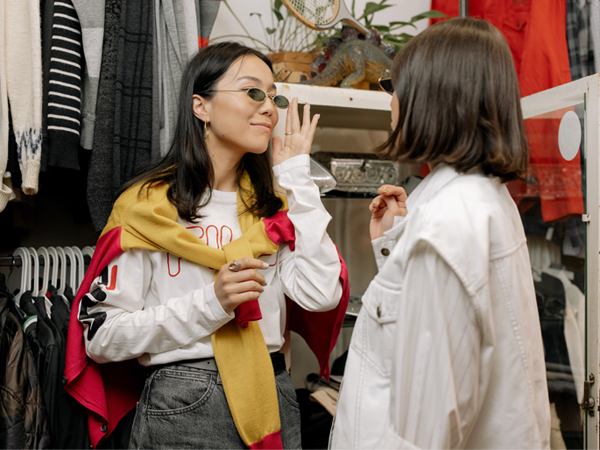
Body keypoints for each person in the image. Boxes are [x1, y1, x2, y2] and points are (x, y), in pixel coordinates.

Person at [64, 42, 349, 450]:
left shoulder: (274, 208)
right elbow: (102, 337)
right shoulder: (148, 208)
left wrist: (299, 181)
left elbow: (321, 295)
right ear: (201, 106)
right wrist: (213, 303)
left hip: (273, 395)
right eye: (253, 92)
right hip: (184, 403)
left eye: (274, 97)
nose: (269, 108)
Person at [331, 18, 550, 449]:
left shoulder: (449, 220)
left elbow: (425, 429)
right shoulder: (482, 197)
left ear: (430, 96)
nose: (390, 101)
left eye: (393, 86)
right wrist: (398, 241)